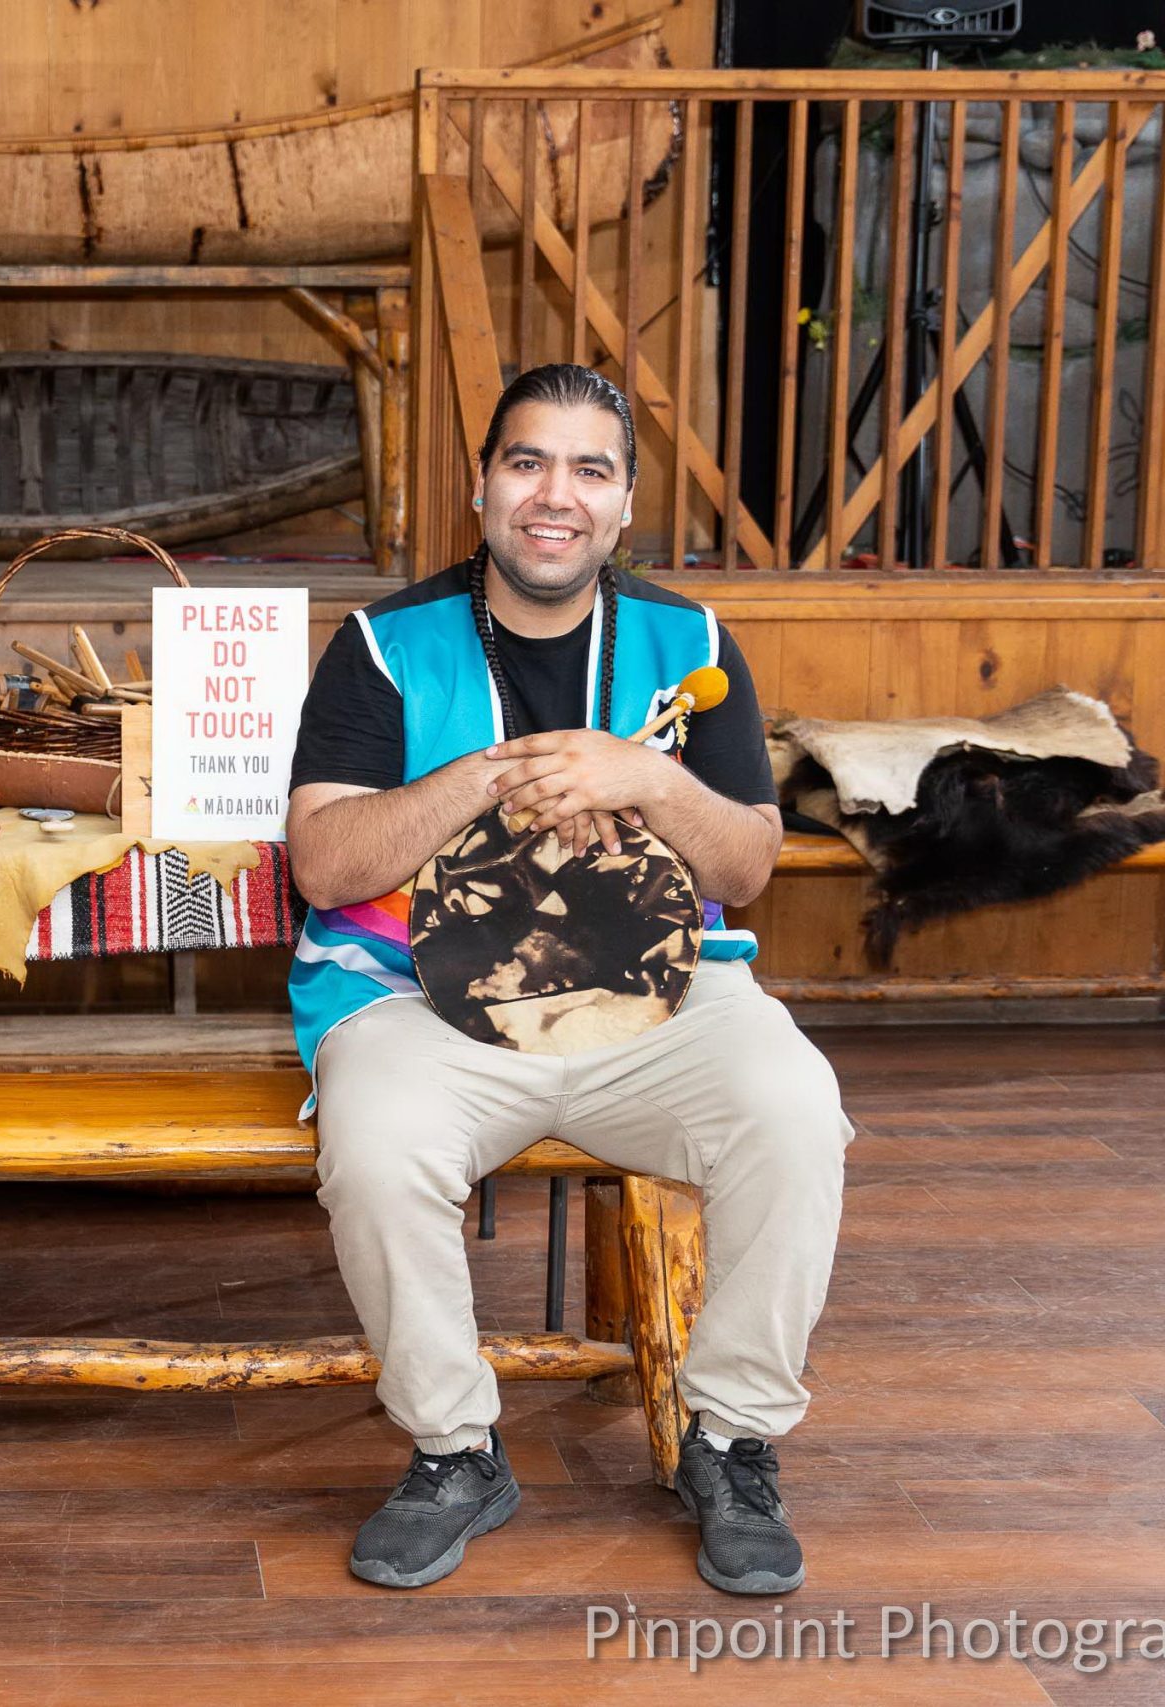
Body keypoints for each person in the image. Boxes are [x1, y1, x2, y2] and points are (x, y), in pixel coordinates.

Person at [284, 363, 852, 1596]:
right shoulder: (382, 647)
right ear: (481, 485)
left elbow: (750, 868)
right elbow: (325, 865)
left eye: (589, 469)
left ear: (625, 503)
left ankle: (731, 1437)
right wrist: (496, 775)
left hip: (654, 1002)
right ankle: (455, 1452)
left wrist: (643, 777)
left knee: (796, 1110)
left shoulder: (689, 644)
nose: (556, 495)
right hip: (418, 1005)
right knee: (374, 1144)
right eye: (527, 462)